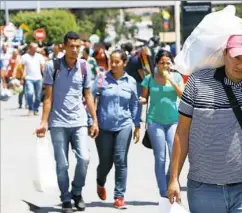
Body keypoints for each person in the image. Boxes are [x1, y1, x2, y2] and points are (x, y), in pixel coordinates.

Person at [168, 35, 242, 213]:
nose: (241, 65)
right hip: (204, 189)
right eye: (237, 57)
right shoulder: (197, 82)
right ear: (225, 54)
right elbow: (182, 132)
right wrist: (173, 178)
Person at [35, 31, 99, 213]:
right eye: (71, 46)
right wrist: (43, 122)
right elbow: (48, 98)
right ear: (64, 47)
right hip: (57, 123)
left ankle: (76, 192)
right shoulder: (52, 66)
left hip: (78, 121)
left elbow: (88, 95)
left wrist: (94, 120)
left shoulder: (85, 66)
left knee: (84, 159)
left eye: (78, 46)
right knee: (62, 164)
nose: (75, 49)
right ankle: (65, 198)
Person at [93, 49, 140, 209]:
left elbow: (134, 103)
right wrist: (91, 121)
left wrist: (137, 125)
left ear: (124, 63)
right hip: (104, 126)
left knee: (120, 160)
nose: (113, 64)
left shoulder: (131, 82)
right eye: (111, 61)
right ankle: (100, 181)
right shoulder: (101, 79)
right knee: (106, 162)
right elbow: (90, 98)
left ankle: (119, 196)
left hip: (124, 125)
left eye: (117, 62)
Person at [139, 49, 184, 198]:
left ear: (171, 63)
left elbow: (182, 95)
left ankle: (169, 182)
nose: (165, 65)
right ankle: (163, 190)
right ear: (156, 64)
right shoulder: (149, 78)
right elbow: (145, 97)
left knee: (174, 155)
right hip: (154, 121)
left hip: (173, 120)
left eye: (167, 62)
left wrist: (170, 79)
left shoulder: (177, 77)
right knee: (160, 157)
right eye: (162, 63)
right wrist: (142, 100)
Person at [21, 42, 45, 115]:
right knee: (30, 93)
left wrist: (45, 76)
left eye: (36, 48)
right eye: (34, 48)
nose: (35, 50)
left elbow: (42, 67)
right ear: (30, 48)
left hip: (38, 78)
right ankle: (30, 108)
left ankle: (36, 108)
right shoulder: (25, 57)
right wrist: (23, 77)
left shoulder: (39, 56)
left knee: (38, 95)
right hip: (29, 78)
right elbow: (22, 67)